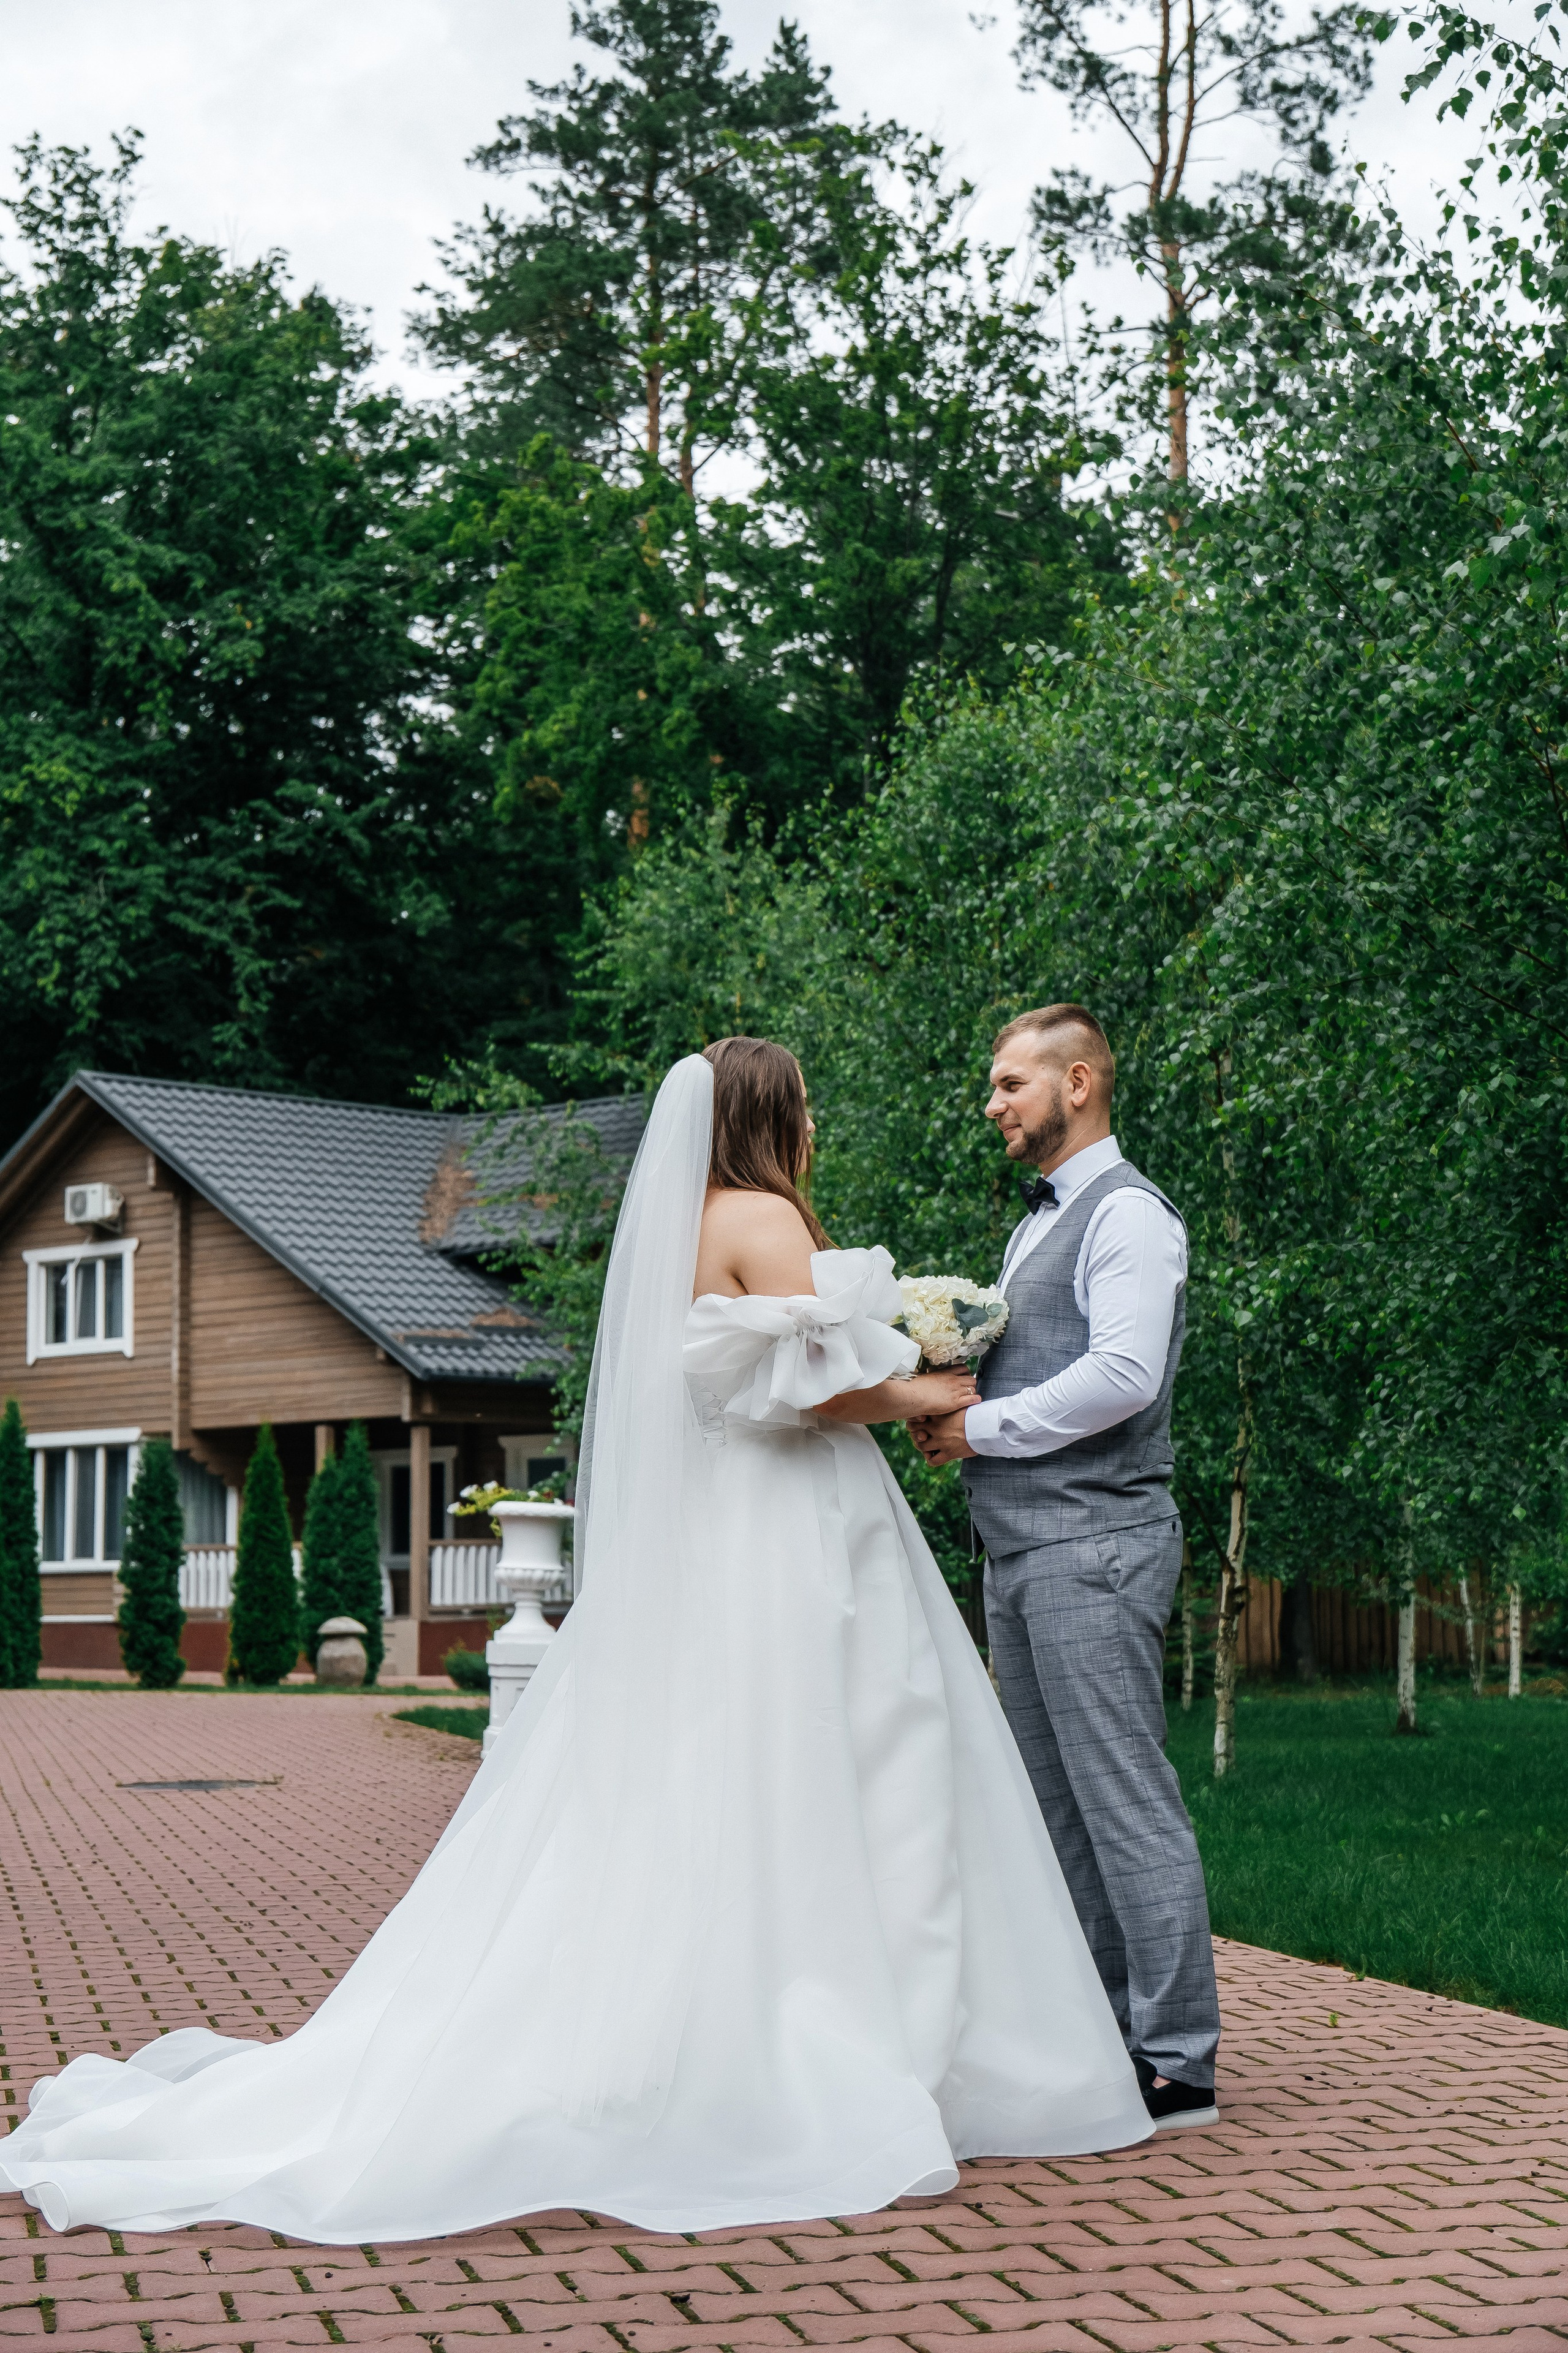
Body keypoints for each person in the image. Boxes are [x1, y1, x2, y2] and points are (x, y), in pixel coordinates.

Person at [0, 1039, 1151, 2245]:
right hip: (793, 1526)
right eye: (803, 1106)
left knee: (723, 1768)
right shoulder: (762, 1216)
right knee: (847, 1756)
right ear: (770, 1114)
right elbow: (817, 1390)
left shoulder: (679, 1228)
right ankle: (838, 2034)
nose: (812, 1125)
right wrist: (934, 1388)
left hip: (719, 1532)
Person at [912, 1004, 1222, 2129]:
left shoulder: (1128, 1214)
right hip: (1022, 1552)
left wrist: (980, 1430)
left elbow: (1125, 1376)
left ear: (1077, 1082)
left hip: (1094, 1547)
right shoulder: (1035, 1223)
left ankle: (1179, 2059)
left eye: (1010, 1083)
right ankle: (1107, 2036)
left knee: (1123, 1800)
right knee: (1058, 1810)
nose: (992, 1103)